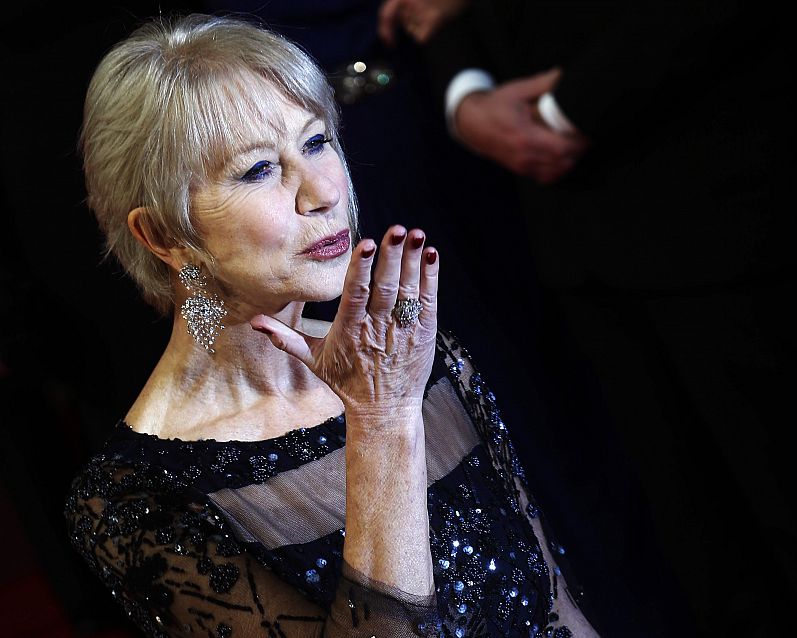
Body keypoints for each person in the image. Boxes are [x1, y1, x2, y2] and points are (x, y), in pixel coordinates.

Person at [64, 13, 600, 637]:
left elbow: (558, 609)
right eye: (258, 170)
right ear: (163, 235)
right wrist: (382, 422)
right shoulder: (136, 501)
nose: (323, 191)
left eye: (317, 142)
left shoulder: (410, 361)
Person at [379, 2, 797, 636]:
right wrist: (467, 98)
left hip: (722, 192)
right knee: (700, 549)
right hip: (571, 237)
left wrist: (560, 111)